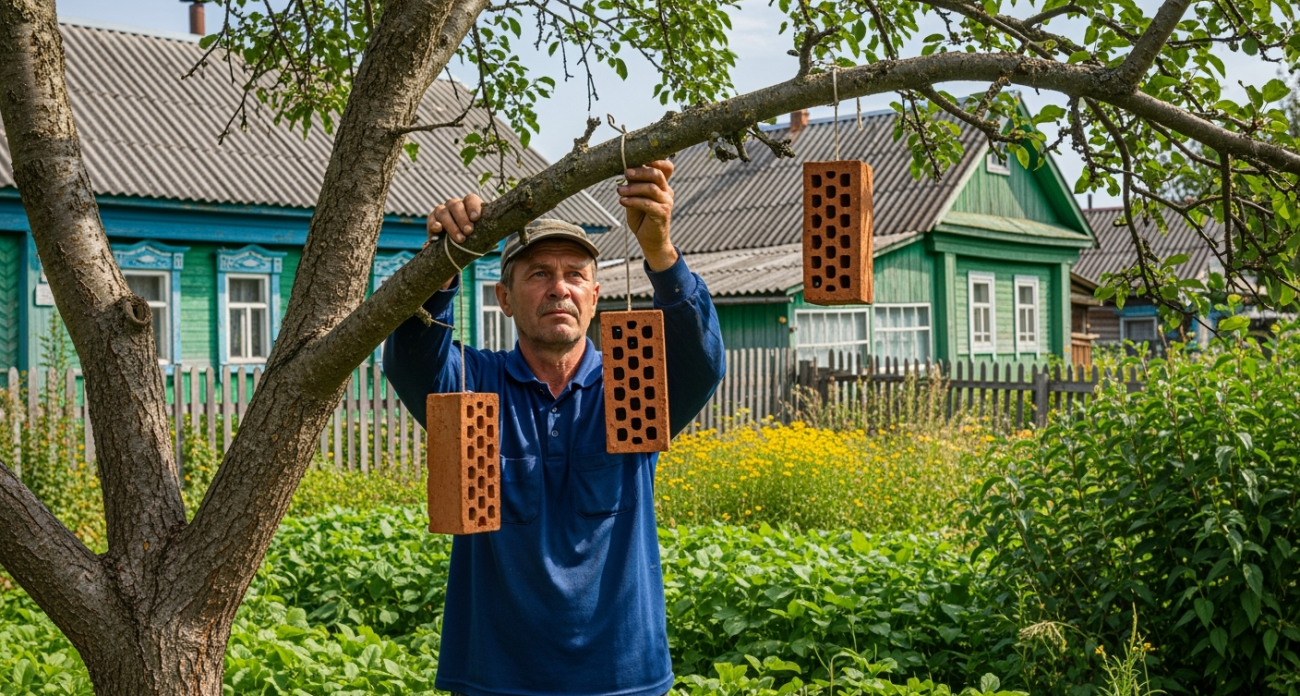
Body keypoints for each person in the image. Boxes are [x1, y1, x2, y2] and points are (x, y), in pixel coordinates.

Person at [383, 159, 725, 696]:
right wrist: (441, 265)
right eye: (538, 273)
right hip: (496, 677)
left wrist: (659, 250)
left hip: (623, 674)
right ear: (503, 297)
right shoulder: (475, 384)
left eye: (574, 275)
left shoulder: (633, 389)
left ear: (594, 295)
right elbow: (410, 359)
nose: (558, 288)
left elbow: (702, 363)